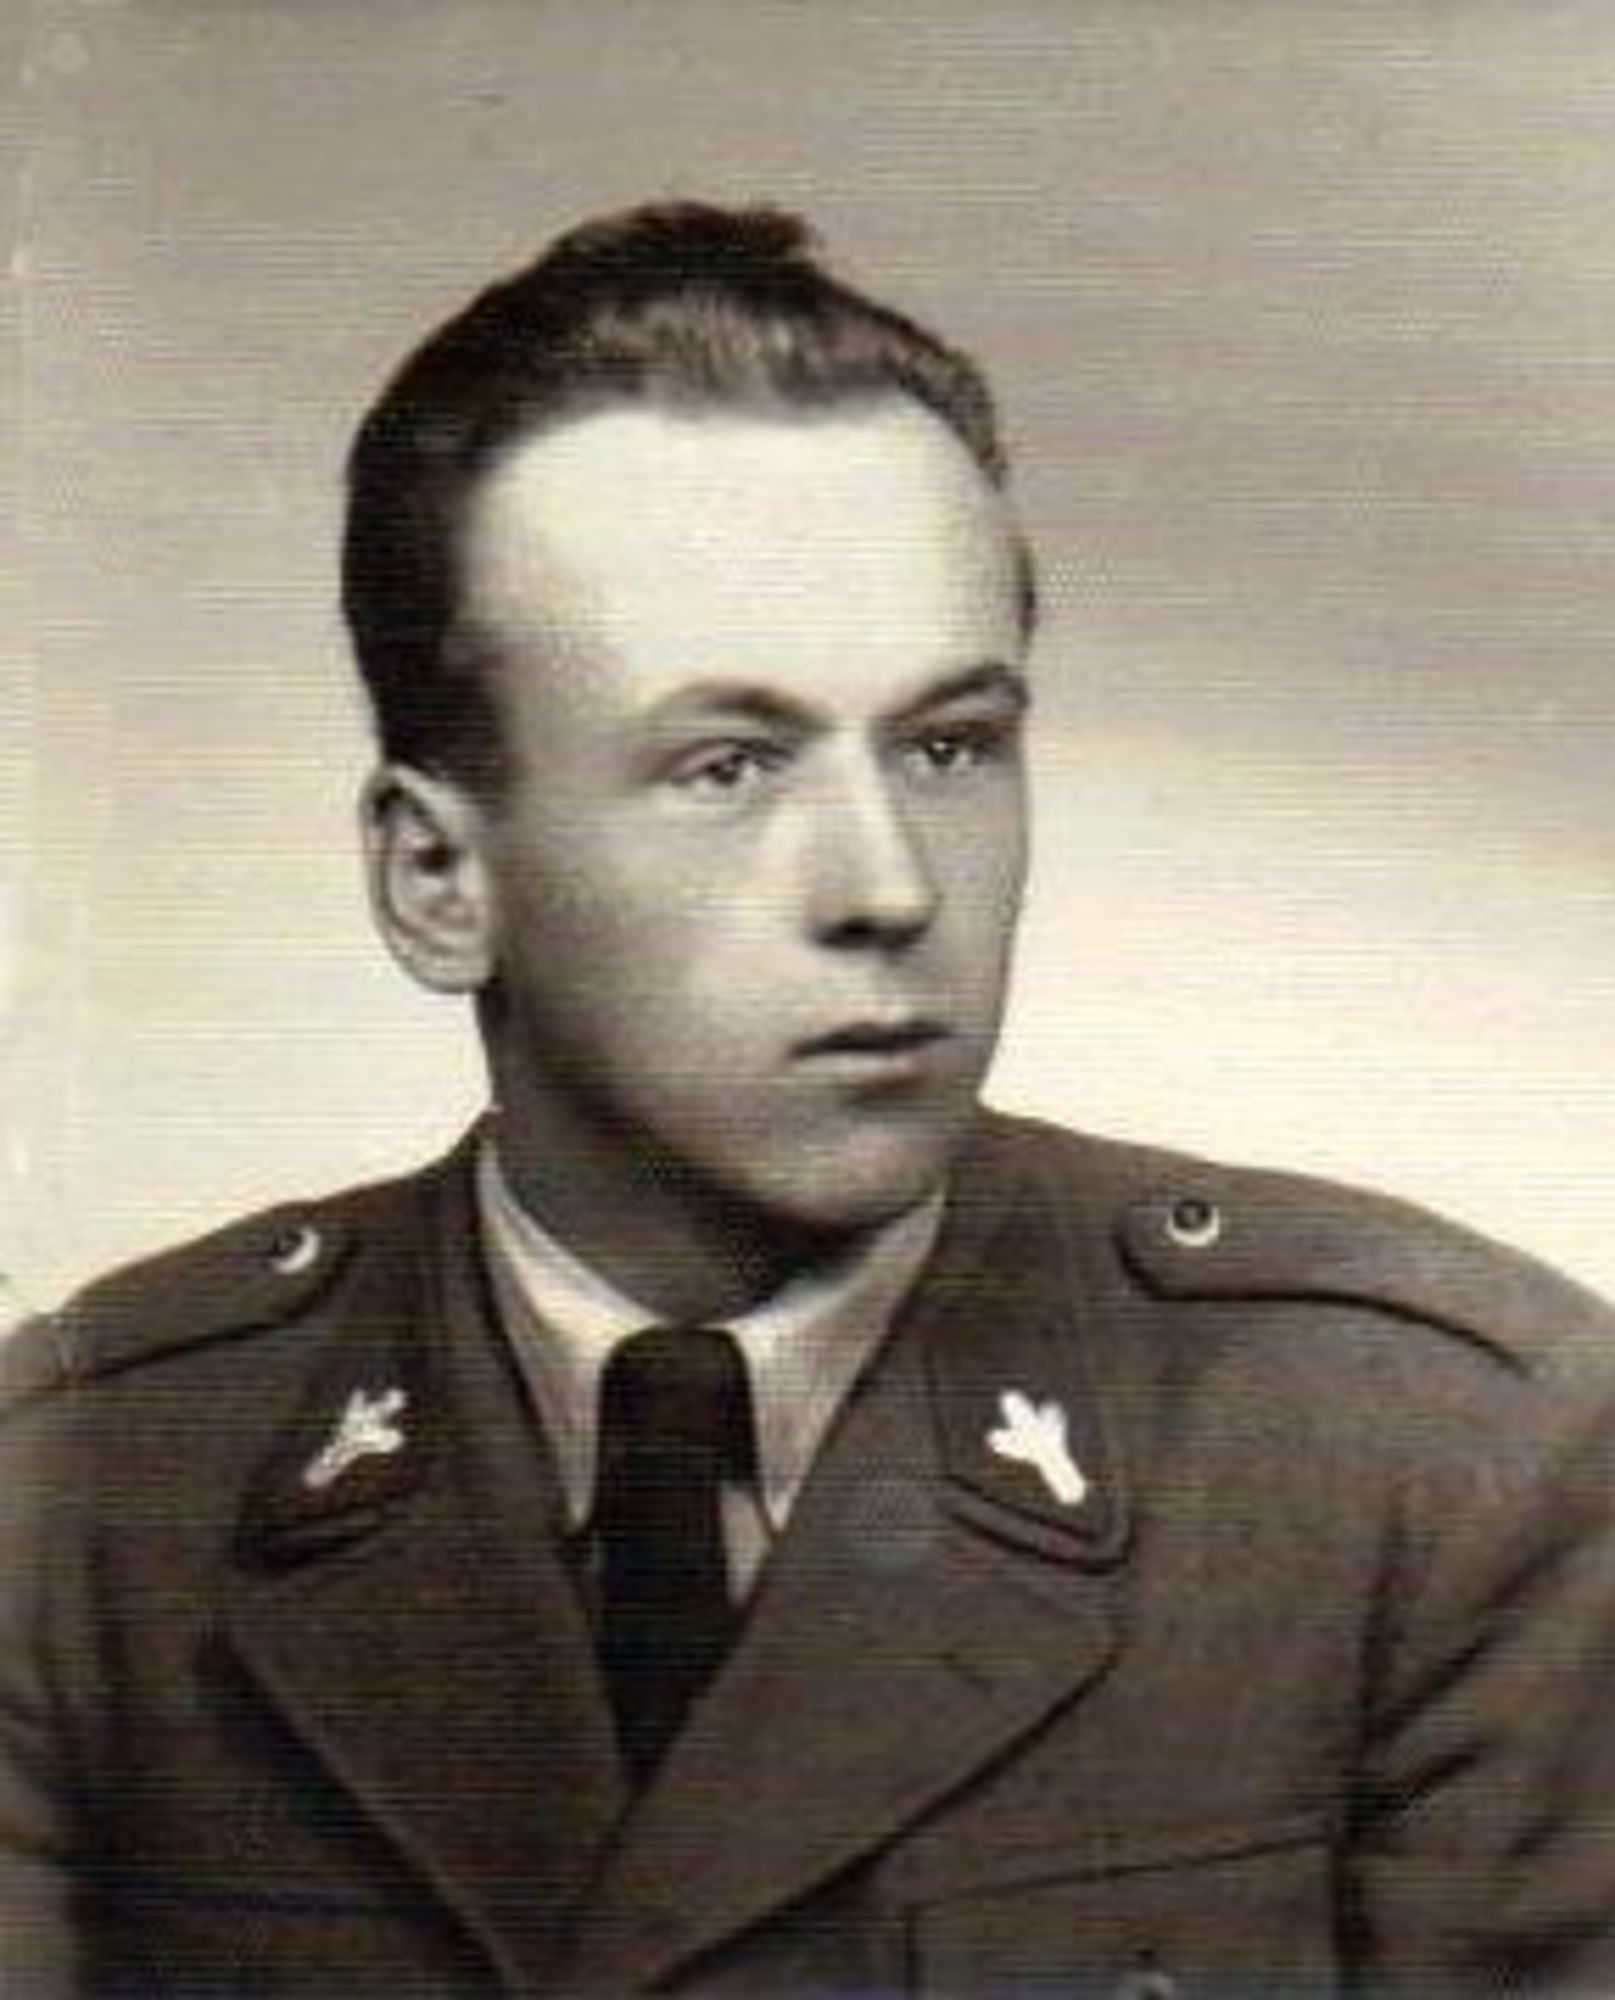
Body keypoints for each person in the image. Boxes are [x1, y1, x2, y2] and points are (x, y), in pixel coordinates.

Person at [3, 202, 1613, 1999]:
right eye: (729, 766)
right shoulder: (83, 1501)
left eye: (950, 745)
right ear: (438, 878)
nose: (890, 885)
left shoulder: (1429, 1467)